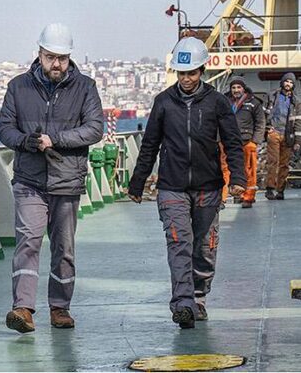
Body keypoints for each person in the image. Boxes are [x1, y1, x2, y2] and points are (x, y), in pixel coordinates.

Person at [127, 37, 246, 329]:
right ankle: (182, 303)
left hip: (208, 187)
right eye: (182, 74)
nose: (186, 79)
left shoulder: (218, 103)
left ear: (202, 71)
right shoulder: (163, 102)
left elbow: (232, 143)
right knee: (179, 242)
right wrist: (137, 183)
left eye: (191, 73)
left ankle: (199, 296)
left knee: (204, 246)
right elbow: (150, 145)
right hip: (172, 187)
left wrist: (238, 180)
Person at [0, 23, 104, 333]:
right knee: (28, 241)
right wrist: (25, 141)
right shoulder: (18, 87)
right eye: (50, 57)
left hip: (66, 180)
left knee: (63, 247)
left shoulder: (86, 87)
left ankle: (60, 307)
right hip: (29, 180)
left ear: (69, 58)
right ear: (39, 54)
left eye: (61, 58)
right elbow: (5, 129)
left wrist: (53, 139)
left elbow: (94, 129)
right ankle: (23, 309)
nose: (56, 64)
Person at [222, 76, 265, 208]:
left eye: (238, 87)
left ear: (244, 88)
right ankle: (222, 198)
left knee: (249, 170)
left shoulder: (254, 102)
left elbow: (260, 122)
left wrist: (255, 141)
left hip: (247, 142)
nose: (236, 90)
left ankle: (248, 197)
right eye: (233, 87)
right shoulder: (224, 102)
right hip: (227, 142)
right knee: (224, 170)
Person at [264, 72, 301, 200]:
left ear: (293, 85)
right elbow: (264, 115)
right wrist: (267, 129)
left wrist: (297, 141)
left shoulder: (296, 101)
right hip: (274, 133)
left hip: (288, 135)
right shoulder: (272, 95)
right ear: (282, 82)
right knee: (273, 162)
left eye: (291, 82)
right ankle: (269, 189)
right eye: (287, 81)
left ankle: (280, 191)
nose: (288, 84)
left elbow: (298, 122)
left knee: (284, 165)